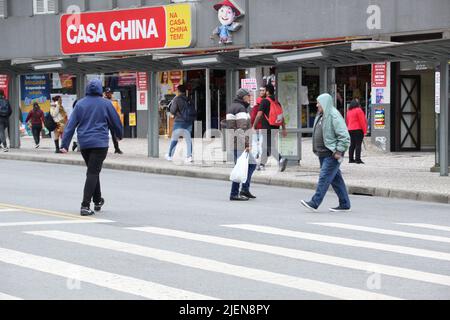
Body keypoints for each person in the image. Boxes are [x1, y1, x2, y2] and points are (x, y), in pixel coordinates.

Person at [60, 79, 123, 216]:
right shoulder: (106, 104)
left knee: (93, 170)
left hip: (85, 144)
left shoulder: (80, 104)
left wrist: (64, 144)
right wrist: (119, 134)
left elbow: (70, 125)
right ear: (100, 89)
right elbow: (115, 121)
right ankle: (85, 205)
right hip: (100, 143)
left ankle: (98, 200)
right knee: (93, 172)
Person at [301, 93, 351, 213]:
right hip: (323, 154)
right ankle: (345, 204)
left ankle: (315, 202)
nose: (317, 105)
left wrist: (339, 151)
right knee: (335, 179)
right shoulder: (321, 115)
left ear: (325, 103)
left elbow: (344, 136)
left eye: (319, 102)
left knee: (324, 178)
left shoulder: (334, 116)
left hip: (332, 154)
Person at [226, 88, 257, 201]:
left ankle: (245, 189)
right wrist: (246, 144)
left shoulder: (235, 106)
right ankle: (234, 193)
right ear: (243, 97)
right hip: (239, 143)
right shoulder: (240, 108)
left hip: (235, 141)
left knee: (250, 164)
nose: (250, 98)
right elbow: (241, 128)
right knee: (241, 167)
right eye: (249, 96)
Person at [252, 84, 288, 172]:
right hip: (275, 127)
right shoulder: (277, 102)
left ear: (267, 92)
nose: (263, 92)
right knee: (266, 145)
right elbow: (281, 116)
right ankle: (261, 165)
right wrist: (283, 128)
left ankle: (281, 159)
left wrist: (254, 126)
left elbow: (259, 115)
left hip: (267, 127)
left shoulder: (265, 101)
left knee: (269, 146)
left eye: (264, 90)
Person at [165, 84, 195, 163]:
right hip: (188, 122)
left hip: (179, 122)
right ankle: (189, 156)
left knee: (175, 139)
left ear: (178, 91)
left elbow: (172, 111)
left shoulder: (177, 99)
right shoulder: (189, 99)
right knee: (188, 139)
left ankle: (170, 155)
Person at [346, 99, 368, 164]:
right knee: (358, 144)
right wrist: (365, 131)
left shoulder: (349, 111)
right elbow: (362, 121)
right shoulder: (359, 110)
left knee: (352, 144)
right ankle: (358, 159)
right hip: (358, 129)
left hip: (350, 129)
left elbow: (347, 121)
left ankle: (351, 159)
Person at [104, 88, 124, 154]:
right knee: (104, 135)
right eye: (107, 93)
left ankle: (117, 148)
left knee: (114, 135)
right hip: (105, 120)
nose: (109, 94)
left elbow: (118, 110)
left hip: (112, 120)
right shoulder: (102, 100)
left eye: (110, 93)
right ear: (105, 93)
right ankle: (104, 148)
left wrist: (118, 119)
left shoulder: (115, 101)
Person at [250, 87, 266, 170]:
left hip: (256, 127)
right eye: (260, 90)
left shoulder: (257, 103)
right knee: (261, 145)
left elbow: (253, 116)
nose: (261, 92)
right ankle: (261, 164)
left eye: (263, 90)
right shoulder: (268, 102)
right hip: (263, 127)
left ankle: (255, 163)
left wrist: (252, 125)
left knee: (255, 145)